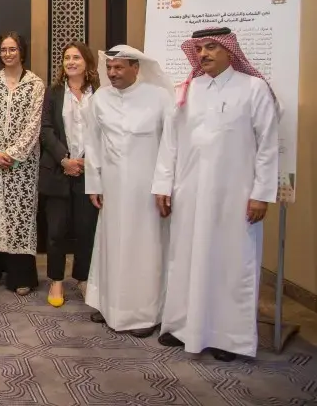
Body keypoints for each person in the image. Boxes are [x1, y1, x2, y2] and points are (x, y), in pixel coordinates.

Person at [152, 26, 279, 361]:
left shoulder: (253, 89)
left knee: (230, 263)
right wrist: (163, 185)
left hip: (233, 197)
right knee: (185, 259)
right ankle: (181, 327)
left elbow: (267, 146)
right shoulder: (186, 91)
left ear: (229, 51)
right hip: (189, 193)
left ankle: (227, 338)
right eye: (200, 49)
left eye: (211, 48)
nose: (204, 54)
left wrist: (261, 194)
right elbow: (170, 144)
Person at [84, 45, 174, 338]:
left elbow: (169, 145)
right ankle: (109, 306)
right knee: (111, 245)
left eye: (119, 68)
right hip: (111, 187)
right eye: (109, 68)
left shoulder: (159, 97)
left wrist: (163, 185)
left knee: (144, 249)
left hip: (147, 190)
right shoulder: (100, 98)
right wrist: (94, 184)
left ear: (136, 67)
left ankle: (145, 314)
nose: (112, 73)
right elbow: (93, 144)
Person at [0, 32, 43, 295]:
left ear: (22, 51)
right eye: (3, 49)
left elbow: (34, 124)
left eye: (12, 49)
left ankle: (20, 277)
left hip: (22, 165)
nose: (8, 54)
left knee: (19, 217)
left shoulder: (35, 83)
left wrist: (14, 153)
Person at [39, 41, 100, 307]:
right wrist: (65, 159)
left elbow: (106, 131)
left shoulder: (100, 93)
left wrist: (87, 160)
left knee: (87, 230)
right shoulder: (53, 92)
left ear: (87, 62)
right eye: (66, 58)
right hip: (58, 171)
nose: (71, 62)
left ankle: (84, 278)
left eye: (76, 57)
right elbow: (46, 129)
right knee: (56, 231)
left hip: (90, 172)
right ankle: (55, 280)